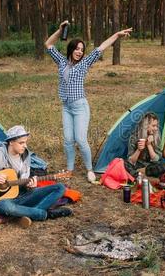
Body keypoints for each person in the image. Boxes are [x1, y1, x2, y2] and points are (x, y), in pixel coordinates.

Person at [45, 21, 133, 183]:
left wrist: (117, 35)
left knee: (80, 139)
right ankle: (70, 170)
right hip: (66, 107)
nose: (79, 52)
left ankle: (89, 169)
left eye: (82, 50)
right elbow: (49, 44)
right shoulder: (61, 62)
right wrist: (59, 30)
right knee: (68, 140)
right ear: (71, 49)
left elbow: (101, 47)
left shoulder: (85, 63)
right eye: (77, 49)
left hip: (80, 107)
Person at [0, 125, 72, 228]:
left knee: (60, 187)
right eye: (21, 143)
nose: (25, 146)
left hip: (21, 196)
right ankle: (44, 214)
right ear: (11, 142)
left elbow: (23, 185)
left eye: (25, 142)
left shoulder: (25, 157)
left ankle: (29, 213)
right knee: (5, 206)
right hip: (2, 200)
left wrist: (31, 186)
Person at [125, 112, 164, 177]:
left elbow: (156, 159)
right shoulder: (134, 137)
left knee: (163, 165)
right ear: (145, 126)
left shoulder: (156, 136)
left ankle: (139, 174)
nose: (156, 128)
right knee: (123, 163)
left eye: (156, 126)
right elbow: (131, 161)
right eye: (153, 126)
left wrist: (149, 145)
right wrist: (139, 150)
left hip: (151, 167)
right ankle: (141, 174)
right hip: (138, 165)